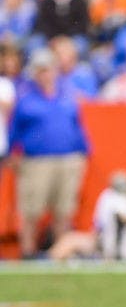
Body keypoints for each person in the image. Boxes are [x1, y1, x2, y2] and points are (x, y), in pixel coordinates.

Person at [7, 47, 89, 258]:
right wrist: (13, 155)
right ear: (35, 73)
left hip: (68, 159)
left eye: (49, 69)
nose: (46, 74)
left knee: (63, 211)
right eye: (41, 70)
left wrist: (84, 152)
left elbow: (77, 126)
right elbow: (14, 131)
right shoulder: (26, 100)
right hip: (36, 162)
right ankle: (27, 253)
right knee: (31, 211)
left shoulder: (67, 96)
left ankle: (61, 254)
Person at [49, 169, 126, 261]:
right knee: (70, 240)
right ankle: (47, 263)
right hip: (109, 242)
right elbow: (99, 225)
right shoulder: (108, 196)